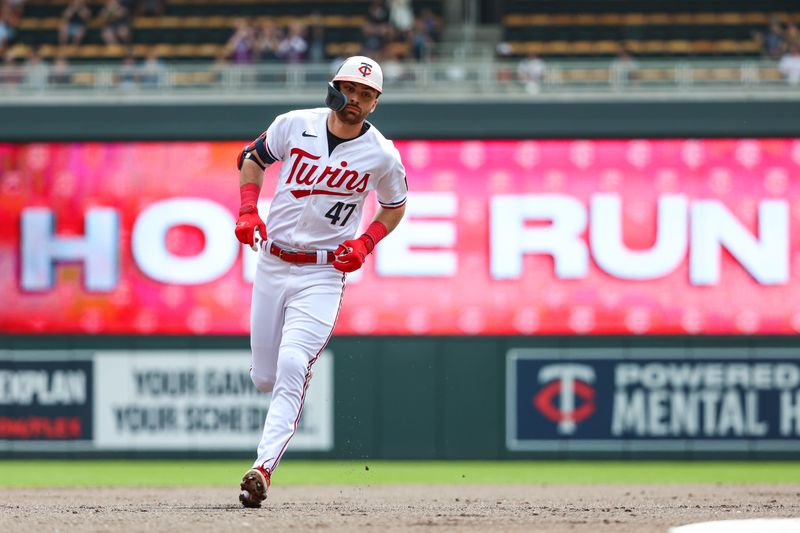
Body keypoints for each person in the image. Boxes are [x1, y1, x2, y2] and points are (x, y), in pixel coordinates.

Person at [234, 55, 407, 508]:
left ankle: (262, 468)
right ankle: (269, 421)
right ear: (334, 87)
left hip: (323, 272)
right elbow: (252, 158)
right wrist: (248, 209)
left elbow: (395, 205)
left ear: (376, 103)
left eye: (366, 94)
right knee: (264, 377)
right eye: (350, 88)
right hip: (273, 262)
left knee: (294, 364)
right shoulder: (294, 124)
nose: (355, 99)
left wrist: (366, 242)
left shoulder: (382, 154)